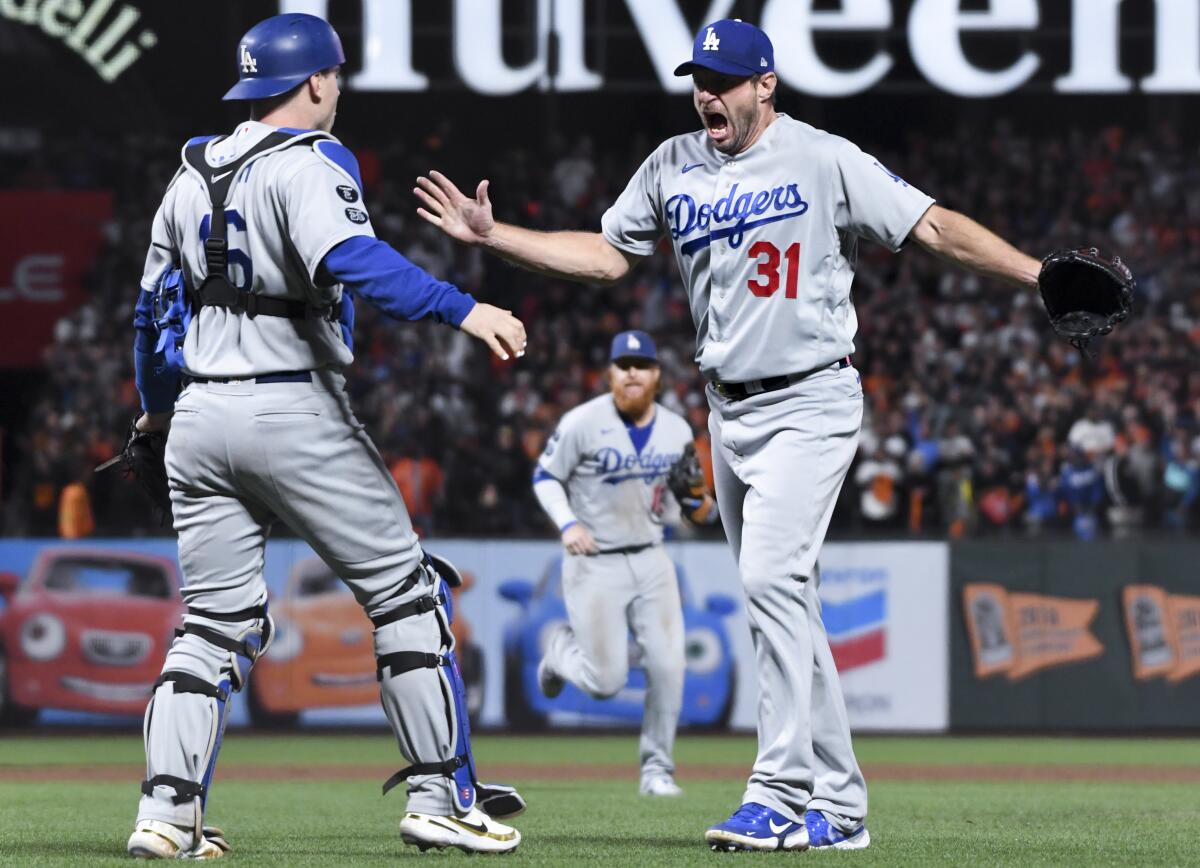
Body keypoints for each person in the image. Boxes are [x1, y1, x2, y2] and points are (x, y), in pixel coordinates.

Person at [415, 17, 1043, 853]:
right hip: (729, 410)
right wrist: (495, 237)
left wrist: (1039, 274)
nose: (707, 92)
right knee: (786, 599)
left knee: (770, 577)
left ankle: (779, 792)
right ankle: (844, 803)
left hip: (813, 398)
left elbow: (930, 224)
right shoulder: (672, 165)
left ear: (765, 85)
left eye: (724, 79)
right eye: (698, 78)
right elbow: (607, 255)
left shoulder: (823, 157)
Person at [126, 13, 526, 858]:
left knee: (213, 621)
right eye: (334, 77)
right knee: (408, 594)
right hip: (291, 407)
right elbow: (353, 260)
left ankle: (166, 816)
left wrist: (159, 410)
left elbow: (151, 316)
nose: (337, 90)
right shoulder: (309, 161)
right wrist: (466, 307)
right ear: (312, 82)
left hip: (199, 418)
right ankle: (439, 797)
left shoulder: (188, 172)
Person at [531, 329, 718, 798]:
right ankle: (559, 654)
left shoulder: (677, 430)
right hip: (596, 561)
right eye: (623, 365)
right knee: (605, 682)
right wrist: (567, 523)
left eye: (642, 365)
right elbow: (545, 476)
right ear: (610, 373)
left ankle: (658, 770)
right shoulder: (583, 422)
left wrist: (709, 509)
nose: (632, 372)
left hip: (652, 557)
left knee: (669, 666)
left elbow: (689, 496)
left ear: (656, 374)